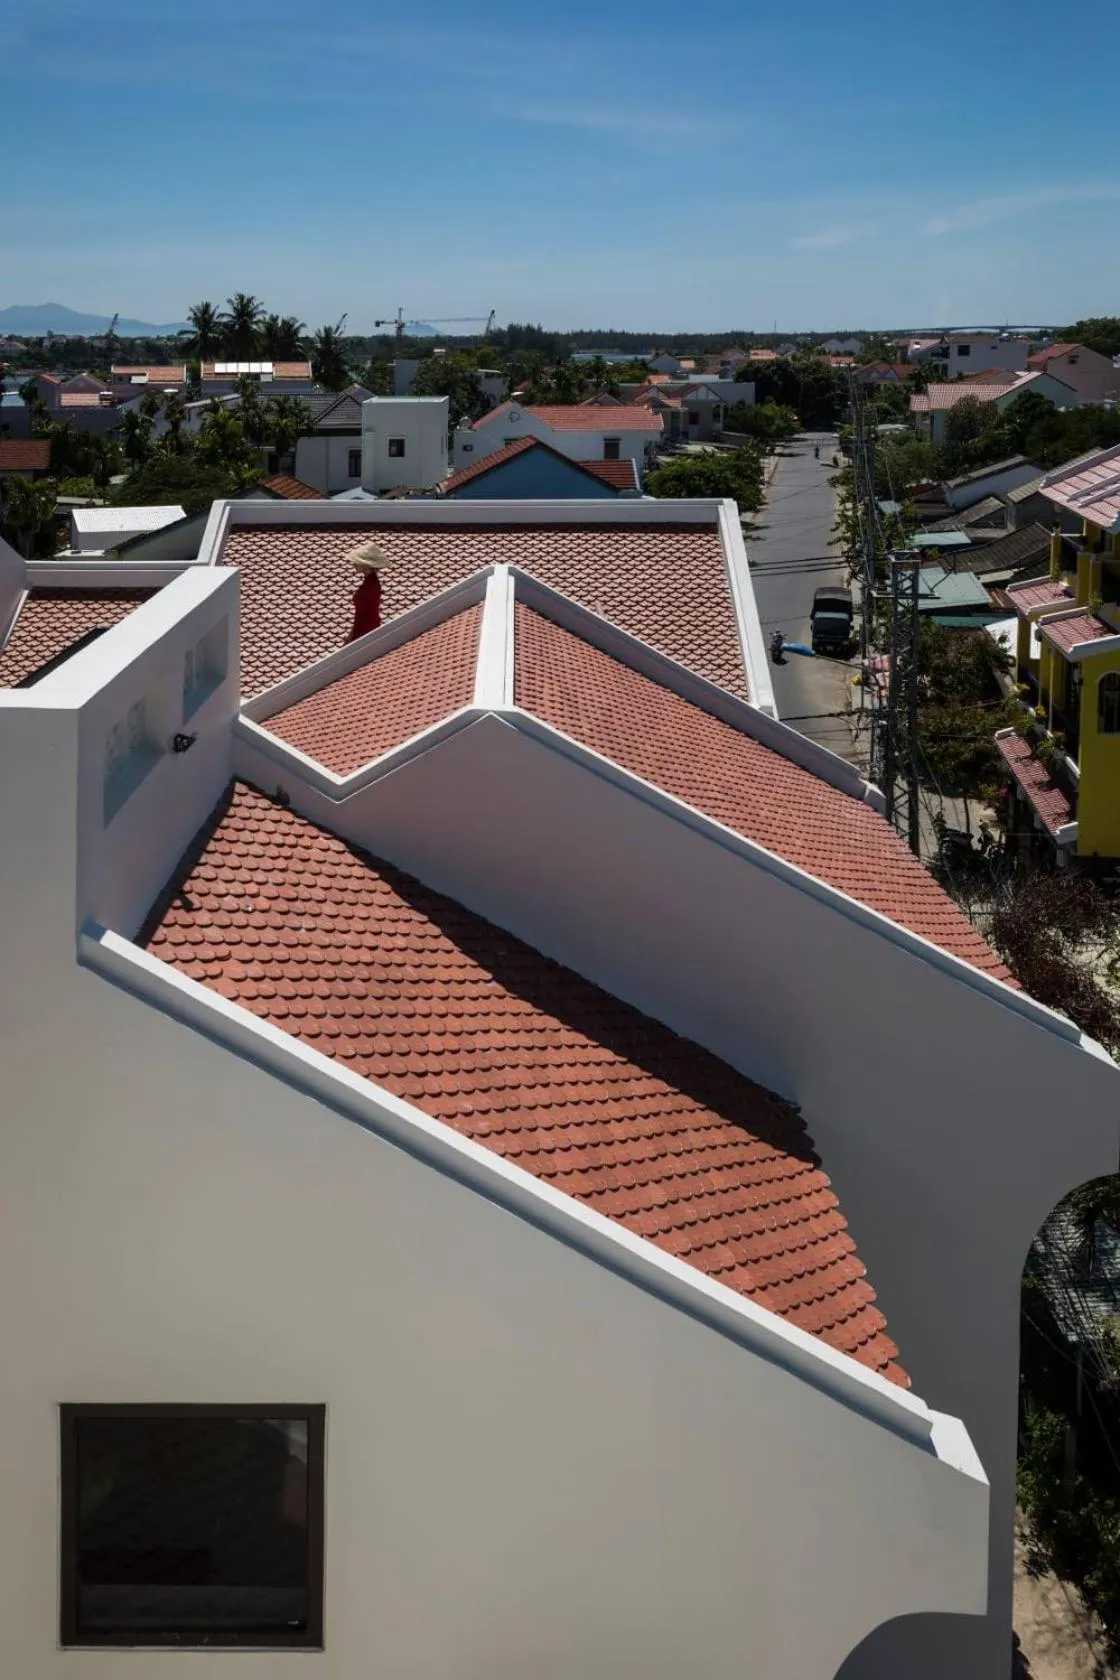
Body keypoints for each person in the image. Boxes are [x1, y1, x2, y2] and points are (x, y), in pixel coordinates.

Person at [346, 542, 391, 641]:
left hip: (366, 631)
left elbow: (364, 614)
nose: (354, 564)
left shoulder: (371, 585)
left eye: (357, 562)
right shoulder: (369, 582)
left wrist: (352, 635)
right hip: (364, 628)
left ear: (366, 565)